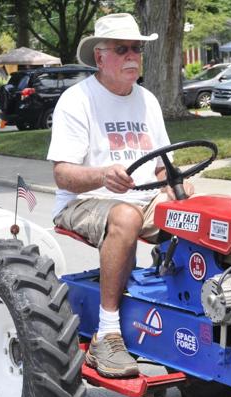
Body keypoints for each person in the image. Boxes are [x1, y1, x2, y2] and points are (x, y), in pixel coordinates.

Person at [47, 13, 193, 378]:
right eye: (122, 49)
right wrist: (101, 175)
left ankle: (198, 313)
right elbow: (62, 173)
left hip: (141, 201)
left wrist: (176, 187)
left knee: (203, 213)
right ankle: (107, 333)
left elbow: (162, 167)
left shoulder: (147, 100)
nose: (132, 56)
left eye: (137, 49)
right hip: (83, 202)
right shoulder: (77, 100)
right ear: (100, 57)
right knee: (125, 215)